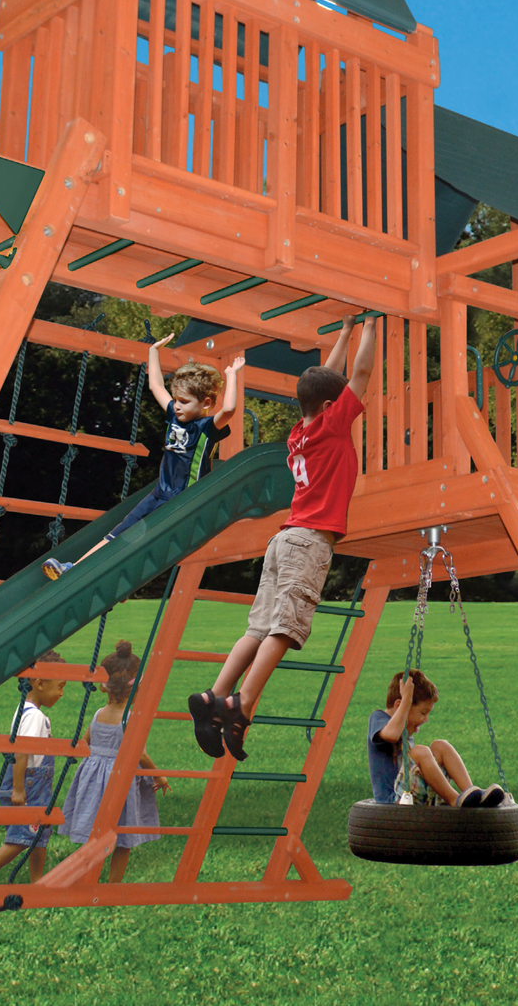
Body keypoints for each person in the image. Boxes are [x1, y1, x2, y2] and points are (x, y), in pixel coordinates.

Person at [189, 314, 379, 762]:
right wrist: (374, 322)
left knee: (258, 627)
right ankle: (242, 703)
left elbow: (330, 379)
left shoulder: (300, 432)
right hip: (309, 542)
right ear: (334, 404)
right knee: (285, 628)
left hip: (284, 541)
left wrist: (347, 331)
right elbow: (361, 374)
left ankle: (216, 696)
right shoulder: (334, 426)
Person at [42, 340, 243, 579]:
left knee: (150, 541)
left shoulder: (206, 427)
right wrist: (152, 352)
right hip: (160, 493)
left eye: (185, 402)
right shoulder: (174, 416)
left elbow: (229, 409)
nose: (177, 406)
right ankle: (72, 568)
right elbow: (156, 385)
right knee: (119, 533)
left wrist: (231, 375)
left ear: (206, 403)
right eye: (176, 400)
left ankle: (118, 576)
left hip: (186, 499)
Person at [59, 641, 169, 882]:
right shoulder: (130, 718)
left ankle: (85, 877)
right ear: (137, 687)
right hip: (121, 779)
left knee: (94, 831)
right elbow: (139, 754)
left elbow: (83, 742)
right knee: (122, 834)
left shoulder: (99, 713)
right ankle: (113, 883)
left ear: (106, 688)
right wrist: (158, 775)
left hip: (93, 777)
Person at [0, 652, 68, 885]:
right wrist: (18, 790)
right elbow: (21, 751)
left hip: (34, 783)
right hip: (28, 784)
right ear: (40, 683)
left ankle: (37, 882)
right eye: (60, 686)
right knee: (23, 837)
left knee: (40, 835)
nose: (62, 693)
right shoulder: (33, 716)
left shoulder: (27, 710)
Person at [366, 669, 506, 809]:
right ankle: (454, 799)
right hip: (394, 801)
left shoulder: (404, 729)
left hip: (416, 795)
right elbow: (391, 735)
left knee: (441, 746)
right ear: (399, 706)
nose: (426, 719)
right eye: (423, 713)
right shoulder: (378, 718)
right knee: (420, 751)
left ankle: (472, 794)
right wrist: (406, 700)